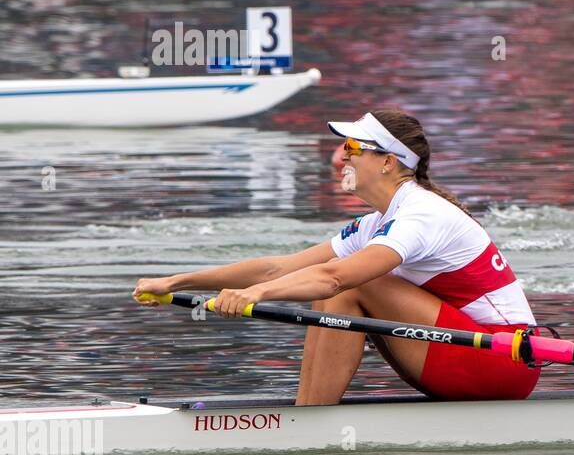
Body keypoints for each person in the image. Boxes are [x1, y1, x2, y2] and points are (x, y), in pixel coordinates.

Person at [134, 109, 540, 405]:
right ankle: (308, 413)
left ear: (387, 162)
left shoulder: (423, 214)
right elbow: (281, 266)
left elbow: (334, 279)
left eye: (352, 147)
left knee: (351, 284)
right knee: (334, 282)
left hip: (504, 360)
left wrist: (257, 294)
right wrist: (176, 282)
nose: (342, 157)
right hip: (461, 353)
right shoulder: (376, 223)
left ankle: (309, 420)